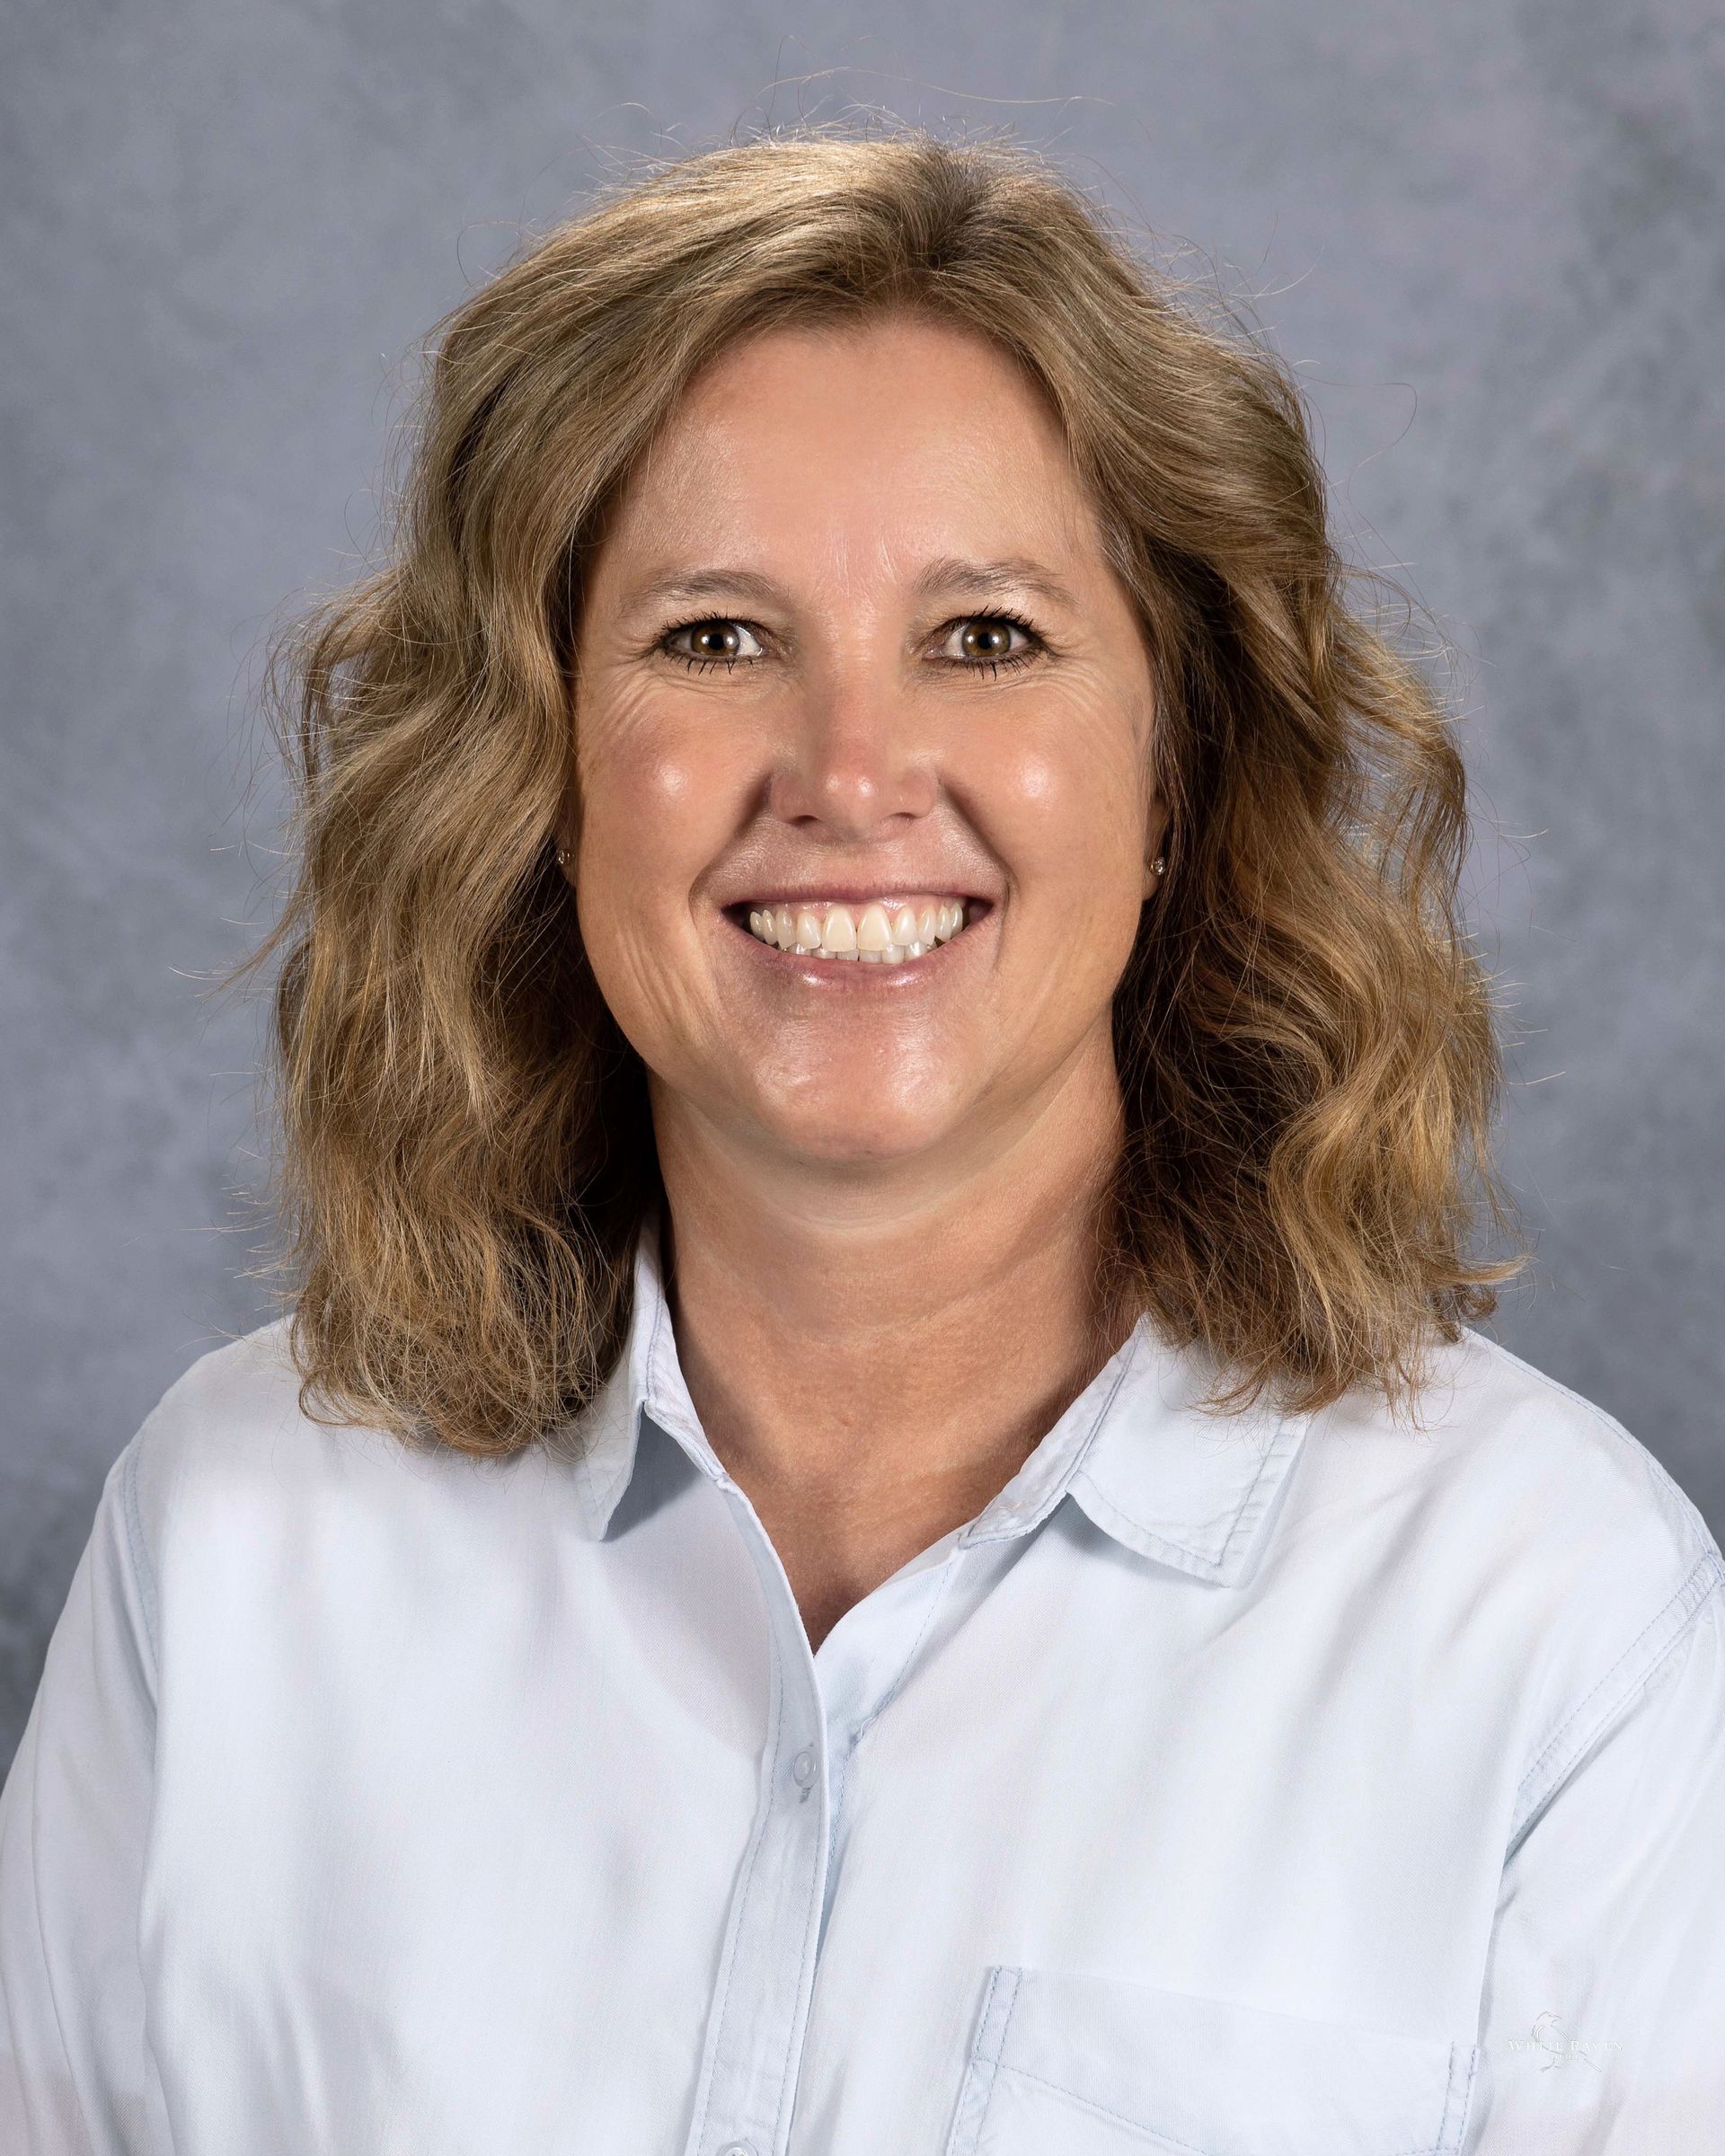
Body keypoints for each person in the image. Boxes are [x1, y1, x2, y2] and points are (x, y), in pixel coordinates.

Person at [2, 125, 1721, 2156]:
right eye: (712, 637)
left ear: (1179, 772)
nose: (849, 775)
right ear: (538, 769)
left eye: (986, 637)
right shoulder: (231, 1543)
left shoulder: (1552, 1629)